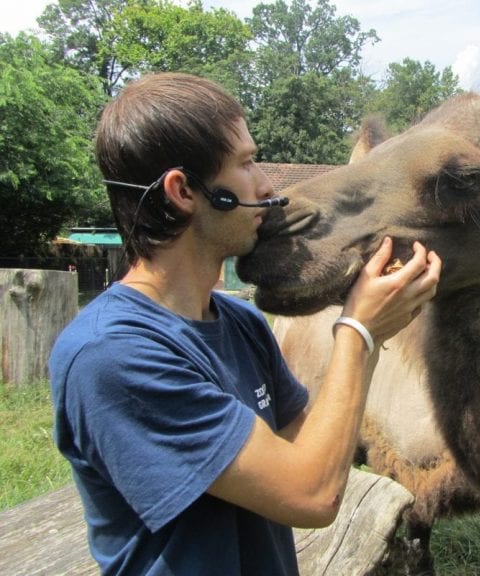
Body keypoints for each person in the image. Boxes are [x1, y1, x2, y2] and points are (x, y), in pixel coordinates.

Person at [48, 72, 441, 575]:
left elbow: (311, 451)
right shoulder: (112, 355)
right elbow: (312, 494)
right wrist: (360, 333)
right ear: (183, 191)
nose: (266, 187)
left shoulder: (241, 322)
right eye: (246, 163)